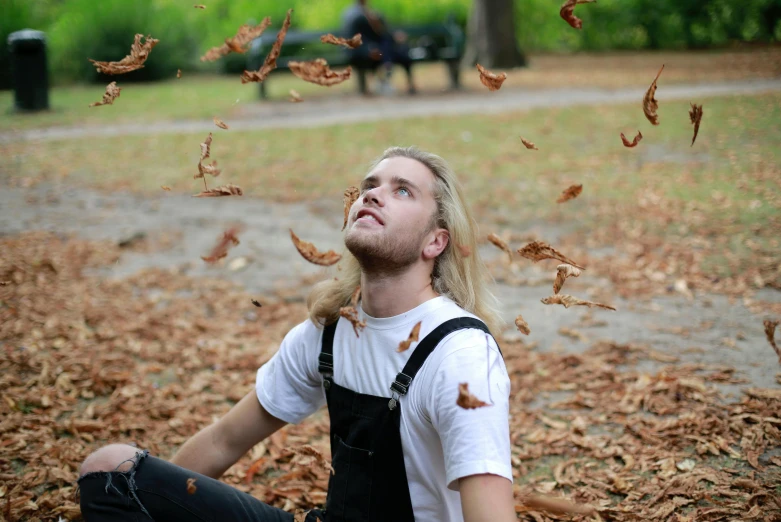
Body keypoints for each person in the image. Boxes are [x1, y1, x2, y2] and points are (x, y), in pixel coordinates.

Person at [76, 146, 516, 522]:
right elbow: (222, 441)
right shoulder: (328, 333)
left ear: (435, 242)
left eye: (402, 190)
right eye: (370, 184)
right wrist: (155, 507)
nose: (374, 195)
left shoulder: (459, 356)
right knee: (110, 472)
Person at [341, 0, 416, 95]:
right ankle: (383, 76)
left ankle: (386, 73)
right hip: (360, 51)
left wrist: (395, 36)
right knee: (382, 51)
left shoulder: (371, 12)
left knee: (394, 50)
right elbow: (352, 40)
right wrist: (367, 50)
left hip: (378, 49)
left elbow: (383, 33)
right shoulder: (353, 15)